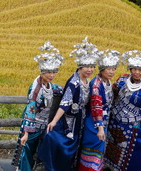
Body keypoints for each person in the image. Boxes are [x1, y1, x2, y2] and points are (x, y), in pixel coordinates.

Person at [39, 37, 99, 171]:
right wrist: (54, 121)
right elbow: (65, 103)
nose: (90, 69)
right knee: (64, 147)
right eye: (87, 66)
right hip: (69, 122)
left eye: (92, 67)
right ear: (80, 67)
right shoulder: (74, 82)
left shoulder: (87, 81)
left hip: (80, 120)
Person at [105, 50, 141, 171]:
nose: (137, 72)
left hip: (132, 125)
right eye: (135, 69)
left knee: (126, 152)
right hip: (114, 121)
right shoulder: (122, 79)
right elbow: (111, 94)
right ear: (130, 69)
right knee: (110, 146)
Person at [11, 41, 64, 171]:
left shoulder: (49, 85)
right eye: (48, 72)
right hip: (33, 126)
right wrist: (26, 133)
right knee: (27, 153)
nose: (51, 75)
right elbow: (31, 108)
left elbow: (56, 89)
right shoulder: (36, 89)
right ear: (42, 72)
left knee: (38, 153)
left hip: (43, 125)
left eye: (54, 72)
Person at [78, 49, 119, 171]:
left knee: (99, 153)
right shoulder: (96, 84)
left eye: (113, 69)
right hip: (94, 125)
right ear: (102, 70)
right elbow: (96, 107)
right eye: (108, 69)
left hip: (102, 123)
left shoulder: (107, 82)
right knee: (92, 152)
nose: (111, 72)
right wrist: (100, 128)